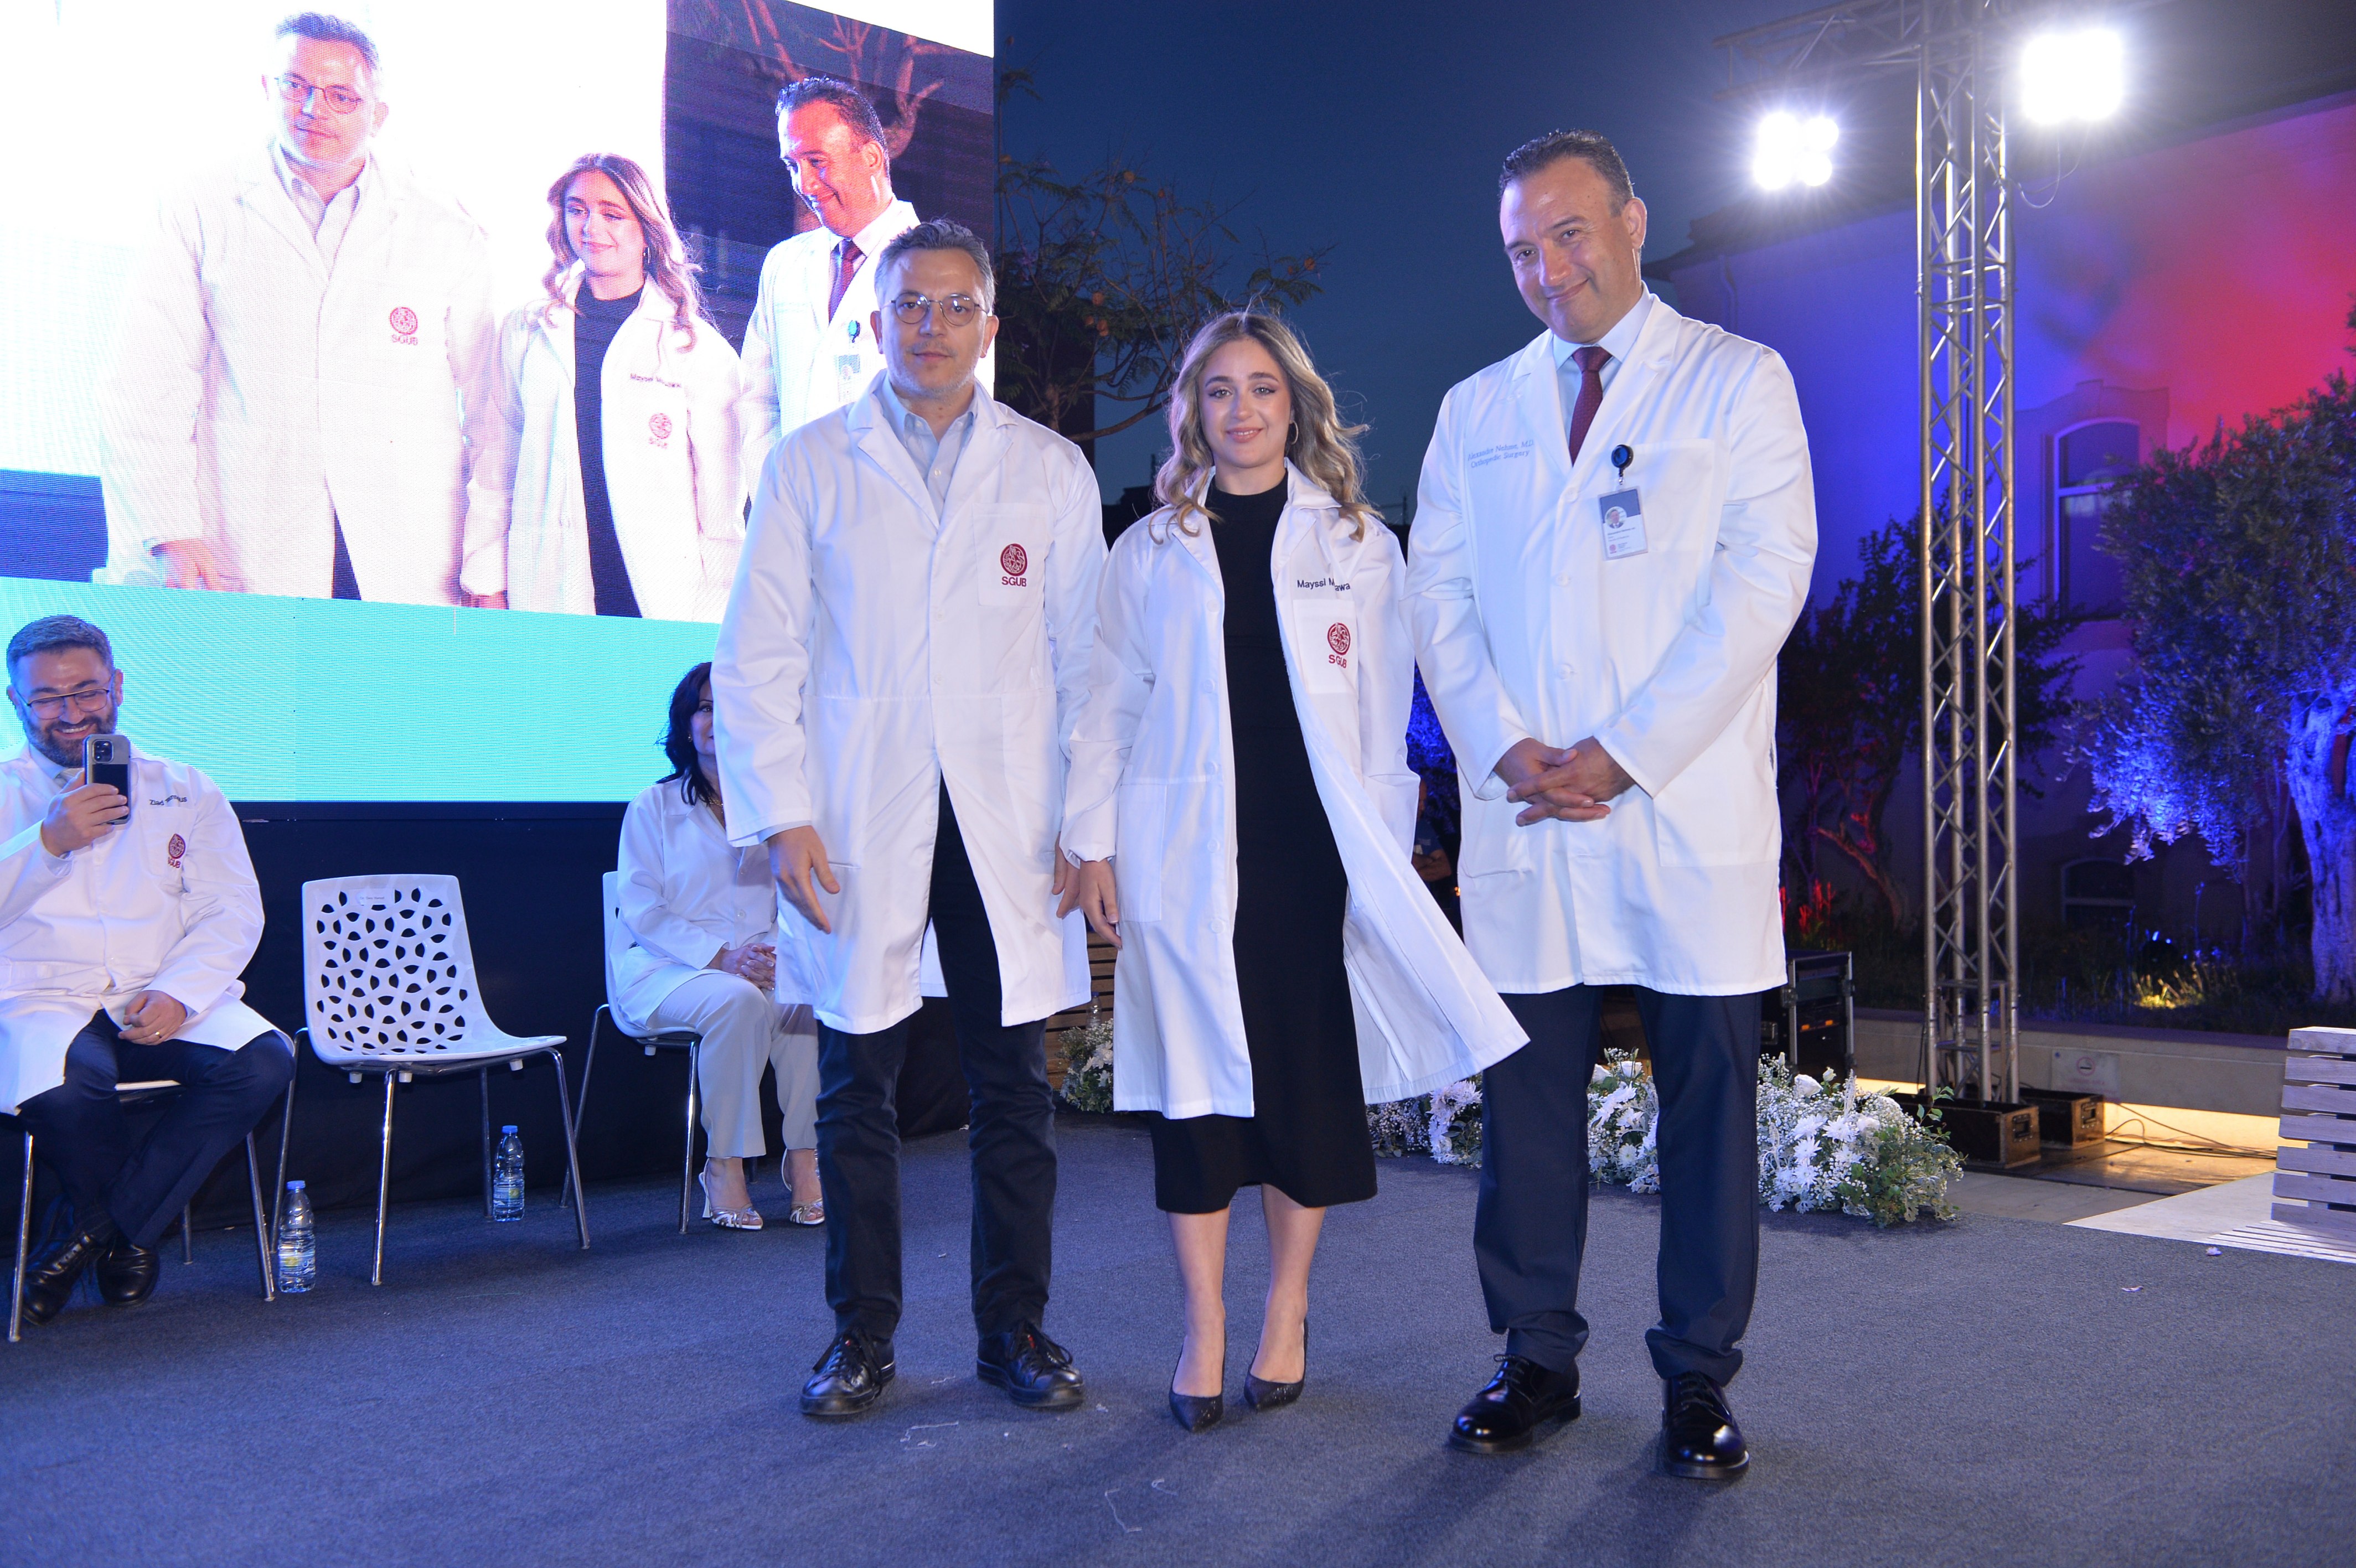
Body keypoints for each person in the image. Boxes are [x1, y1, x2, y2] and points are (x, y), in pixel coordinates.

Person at [1409, 130, 1815, 1478]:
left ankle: (1698, 1376)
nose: (1548, 268)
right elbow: (1437, 596)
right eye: (1522, 249)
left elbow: (1763, 582)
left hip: (1679, 804)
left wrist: (1627, 751)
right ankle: (1534, 1356)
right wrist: (1505, 745)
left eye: (1570, 233)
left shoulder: (1737, 380)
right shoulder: (1476, 409)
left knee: (1708, 1105)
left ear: (1635, 223)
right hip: (1529, 807)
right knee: (1526, 1103)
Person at [1057, 313, 1525, 1432]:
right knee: (1194, 1093)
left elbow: (1382, 710)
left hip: (1311, 853)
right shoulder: (1148, 549)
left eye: (1262, 387)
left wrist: (1381, 854)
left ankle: (1286, 1307)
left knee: (1301, 1084)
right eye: (1218, 389)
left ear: (1295, 403)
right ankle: (1203, 1323)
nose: (1242, 409)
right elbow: (1108, 705)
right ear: (1192, 409)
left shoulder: (1358, 544)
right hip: (1180, 849)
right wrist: (1092, 842)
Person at [713, 219, 1105, 1419]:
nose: (931, 326)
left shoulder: (1049, 468)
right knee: (853, 1087)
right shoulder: (808, 461)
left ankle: (1014, 1328)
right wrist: (781, 812)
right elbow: (758, 651)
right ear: (874, 323)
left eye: (955, 305)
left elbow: (1090, 661)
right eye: (909, 306)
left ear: (990, 326)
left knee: (1013, 1090)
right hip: (859, 814)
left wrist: (1088, 824)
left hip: (1007, 820)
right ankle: (860, 1337)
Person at [96, 12, 503, 606]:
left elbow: (492, 414)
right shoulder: (197, 205)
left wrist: (487, 566)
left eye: (341, 96)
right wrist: (169, 529)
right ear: (267, 88)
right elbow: (145, 382)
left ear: (378, 114)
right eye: (296, 86)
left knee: (398, 665)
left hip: (408, 547)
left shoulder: (446, 229)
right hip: (246, 532)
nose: (315, 110)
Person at [1, 617, 294, 1324]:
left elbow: (230, 908)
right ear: (15, 700)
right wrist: (47, 843)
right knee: (66, 1092)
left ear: (119, 687)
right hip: (42, 997)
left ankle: (81, 1236)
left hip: (155, 989)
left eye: (87, 690)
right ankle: (125, 1237)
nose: (71, 712)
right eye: (47, 698)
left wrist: (181, 992)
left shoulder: (185, 788)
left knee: (263, 1060)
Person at [490, 154, 748, 620]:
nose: (591, 228)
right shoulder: (526, 329)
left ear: (646, 229)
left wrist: (717, 611)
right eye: (577, 210)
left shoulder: (696, 349)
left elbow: (721, 506)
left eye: (612, 214)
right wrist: (486, 577)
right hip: (550, 581)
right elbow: (498, 462)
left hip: (660, 595)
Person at [616, 664, 824, 1229]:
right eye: (706, 708)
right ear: (687, 726)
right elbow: (642, 909)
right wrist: (722, 958)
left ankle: (805, 1157)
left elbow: (794, 896)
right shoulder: (652, 807)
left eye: (732, 707)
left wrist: (772, 954)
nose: (719, 719)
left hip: (758, 964)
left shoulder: (778, 810)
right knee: (737, 1001)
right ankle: (723, 1165)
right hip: (667, 971)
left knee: (803, 997)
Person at [738, 76, 992, 484]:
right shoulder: (783, 265)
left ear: (872, 157)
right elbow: (757, 400)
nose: (804, 184)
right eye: (792, 166)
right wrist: (778, 496)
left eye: (817, 161)